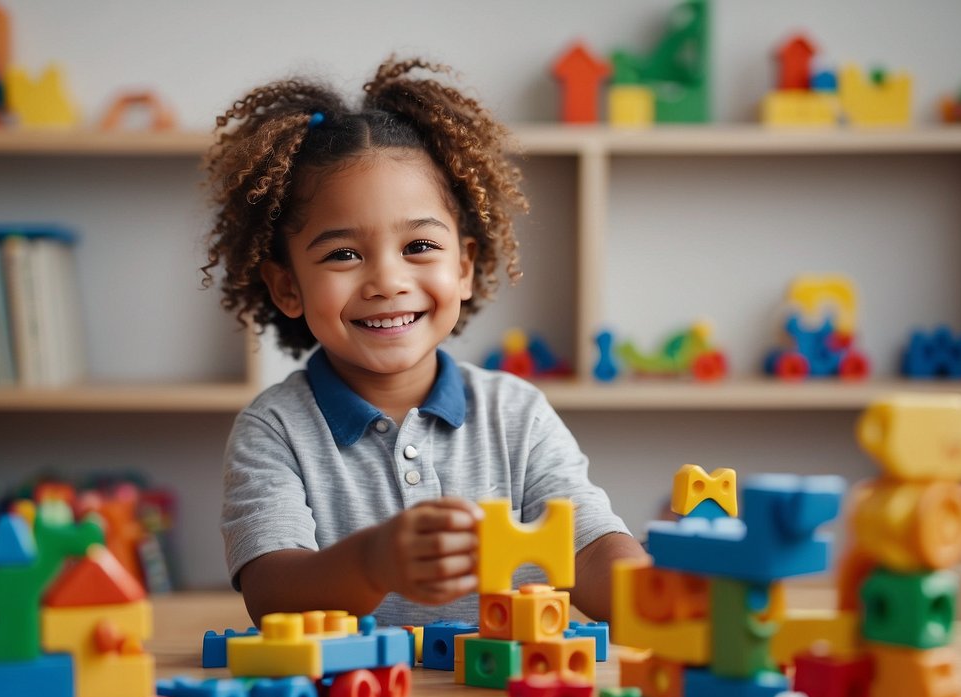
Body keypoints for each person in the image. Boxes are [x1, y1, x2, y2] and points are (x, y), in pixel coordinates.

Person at [202, 56, 647, 627]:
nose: (388, 281)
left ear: (463, 268)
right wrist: (373, 560)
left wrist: (660, 593)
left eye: (418, 247)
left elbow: (589, 547)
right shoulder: (274, 430)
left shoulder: (518, 414)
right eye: (343, 254)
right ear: (287, 286)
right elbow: (271, 591)